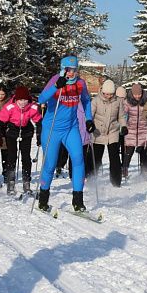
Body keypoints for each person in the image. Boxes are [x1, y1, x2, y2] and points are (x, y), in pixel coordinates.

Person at [37, 55, 94, 212]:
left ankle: (78, 200)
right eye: (68, 70)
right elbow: (41, 99)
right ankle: (43, 198)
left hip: (71, 128)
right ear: (63, 69)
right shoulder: (55, 79)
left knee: (78, 160)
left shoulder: (80, 83)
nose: (71, 73)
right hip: (52, 129)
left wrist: (89, 119)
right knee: (50, 164)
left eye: (74, 70)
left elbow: (87, 101)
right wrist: (56, 86)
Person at [0, 86, 42, 195]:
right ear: (16, 99)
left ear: (28, 99)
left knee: (26, 157)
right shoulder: (9, 107)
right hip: (12, 131)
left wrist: (40, 136)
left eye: (25, 100)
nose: (22, 103)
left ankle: (27, 182)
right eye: (20, 100)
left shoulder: (33, 107)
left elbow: (40, 122)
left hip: (26, 131)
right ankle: (10, 182)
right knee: (12, 156)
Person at [90, 79, 127, 187]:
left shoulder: (118, 101)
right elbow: (90, 115)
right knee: (96, 157)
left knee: (115, 157)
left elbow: (121, 116)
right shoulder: (96, 100)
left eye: (111, 94)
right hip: (98, 132)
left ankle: (116, 181)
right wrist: (89, 124)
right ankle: (91, 177)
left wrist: (123, 126)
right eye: (106, 94)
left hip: (112, 132)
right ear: (102, 91)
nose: (108, 96)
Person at [122, 83, 147, 179]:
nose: (137, 96)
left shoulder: (146, 101)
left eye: (139, 94)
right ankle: (124, 169)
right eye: (135, 94)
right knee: (129, 150)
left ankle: (144, 171)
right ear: (132, 94)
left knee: (143, 150)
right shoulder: (127, 102)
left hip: (143, 129)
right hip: (130, 129)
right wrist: (124, 125)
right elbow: (123, 114)